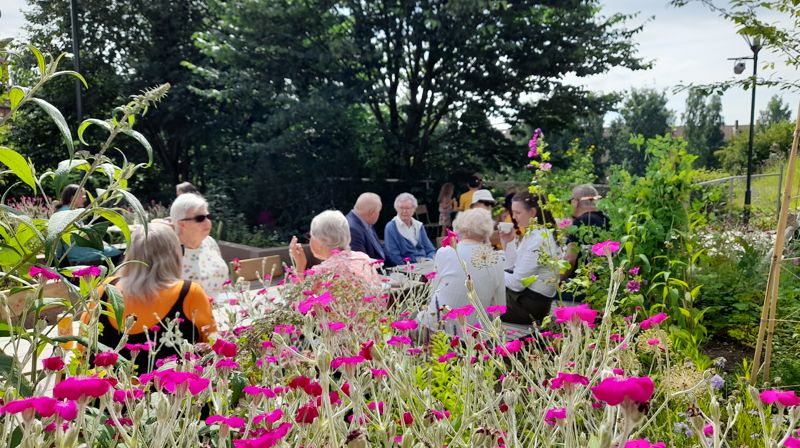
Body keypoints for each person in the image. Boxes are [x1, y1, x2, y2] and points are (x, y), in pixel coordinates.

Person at [86, 222, 217, 374]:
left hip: (107, 393)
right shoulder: (189, 293)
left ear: (131, 255)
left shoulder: (105, 288)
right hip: (173, 394)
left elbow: (83, 346)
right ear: (174, 255)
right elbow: (211, 347)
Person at [419, 209, 505, 336]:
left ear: (459, 227)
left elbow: (433, 292)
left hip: (437, 327)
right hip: (475, 335)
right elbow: (500, 306)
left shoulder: (444, 252)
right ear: (487, 230)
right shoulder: (496, 259)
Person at [499, 192, 560, 325]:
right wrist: (508, 241)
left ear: (532, 212)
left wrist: (492, 272)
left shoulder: (539, 239)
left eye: (517, 212)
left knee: (476, 294)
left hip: (527, 307)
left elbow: (517, 284)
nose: (513, 217)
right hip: (527, 301)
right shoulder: (536, 233)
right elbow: (513, 266)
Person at [289, 210, 381, 290]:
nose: (309, 241)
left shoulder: (321, 273)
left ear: (321, 240)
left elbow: (299, 303)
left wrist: (300, 267)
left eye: (311, 236)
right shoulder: (363, 259)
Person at [170, 193, 228, 298]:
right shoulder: (170, 252)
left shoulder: (209, 242)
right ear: (181, 224)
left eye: (208, 217)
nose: (208, 222)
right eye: (200, 218)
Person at [54, 184, 122, 265]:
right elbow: (82, 234)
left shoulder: (66, 210)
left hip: (78, 250)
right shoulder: (68, 213)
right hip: (80, 252)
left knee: (112, 250)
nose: (85, 198)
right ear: (73, 197)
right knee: (116, 253)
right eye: (83, 196)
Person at [561, 184, 611, 282]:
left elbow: (570, 260)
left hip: (581, 285)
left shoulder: (580, 223)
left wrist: (556, 283)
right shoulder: (607, 220)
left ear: (575, 202)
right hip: (603, 283)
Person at [384, 193, 436, 267]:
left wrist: (428, 261)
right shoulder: (391, 227)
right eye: (401, 208)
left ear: (414, 209)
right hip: (406, 269)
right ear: (396, 208)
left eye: (408, 208)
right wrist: (409, 269)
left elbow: (430, 249)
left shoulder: (419, 226)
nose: (404, 211)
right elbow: (393, 255)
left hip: (425, 265)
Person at [346, 193, 385, 261]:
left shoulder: (365, 221)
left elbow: (379, 250)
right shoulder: (353, 229)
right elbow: (361, 263)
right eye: (378, 211)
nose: (379, 214)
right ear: (371, 212)